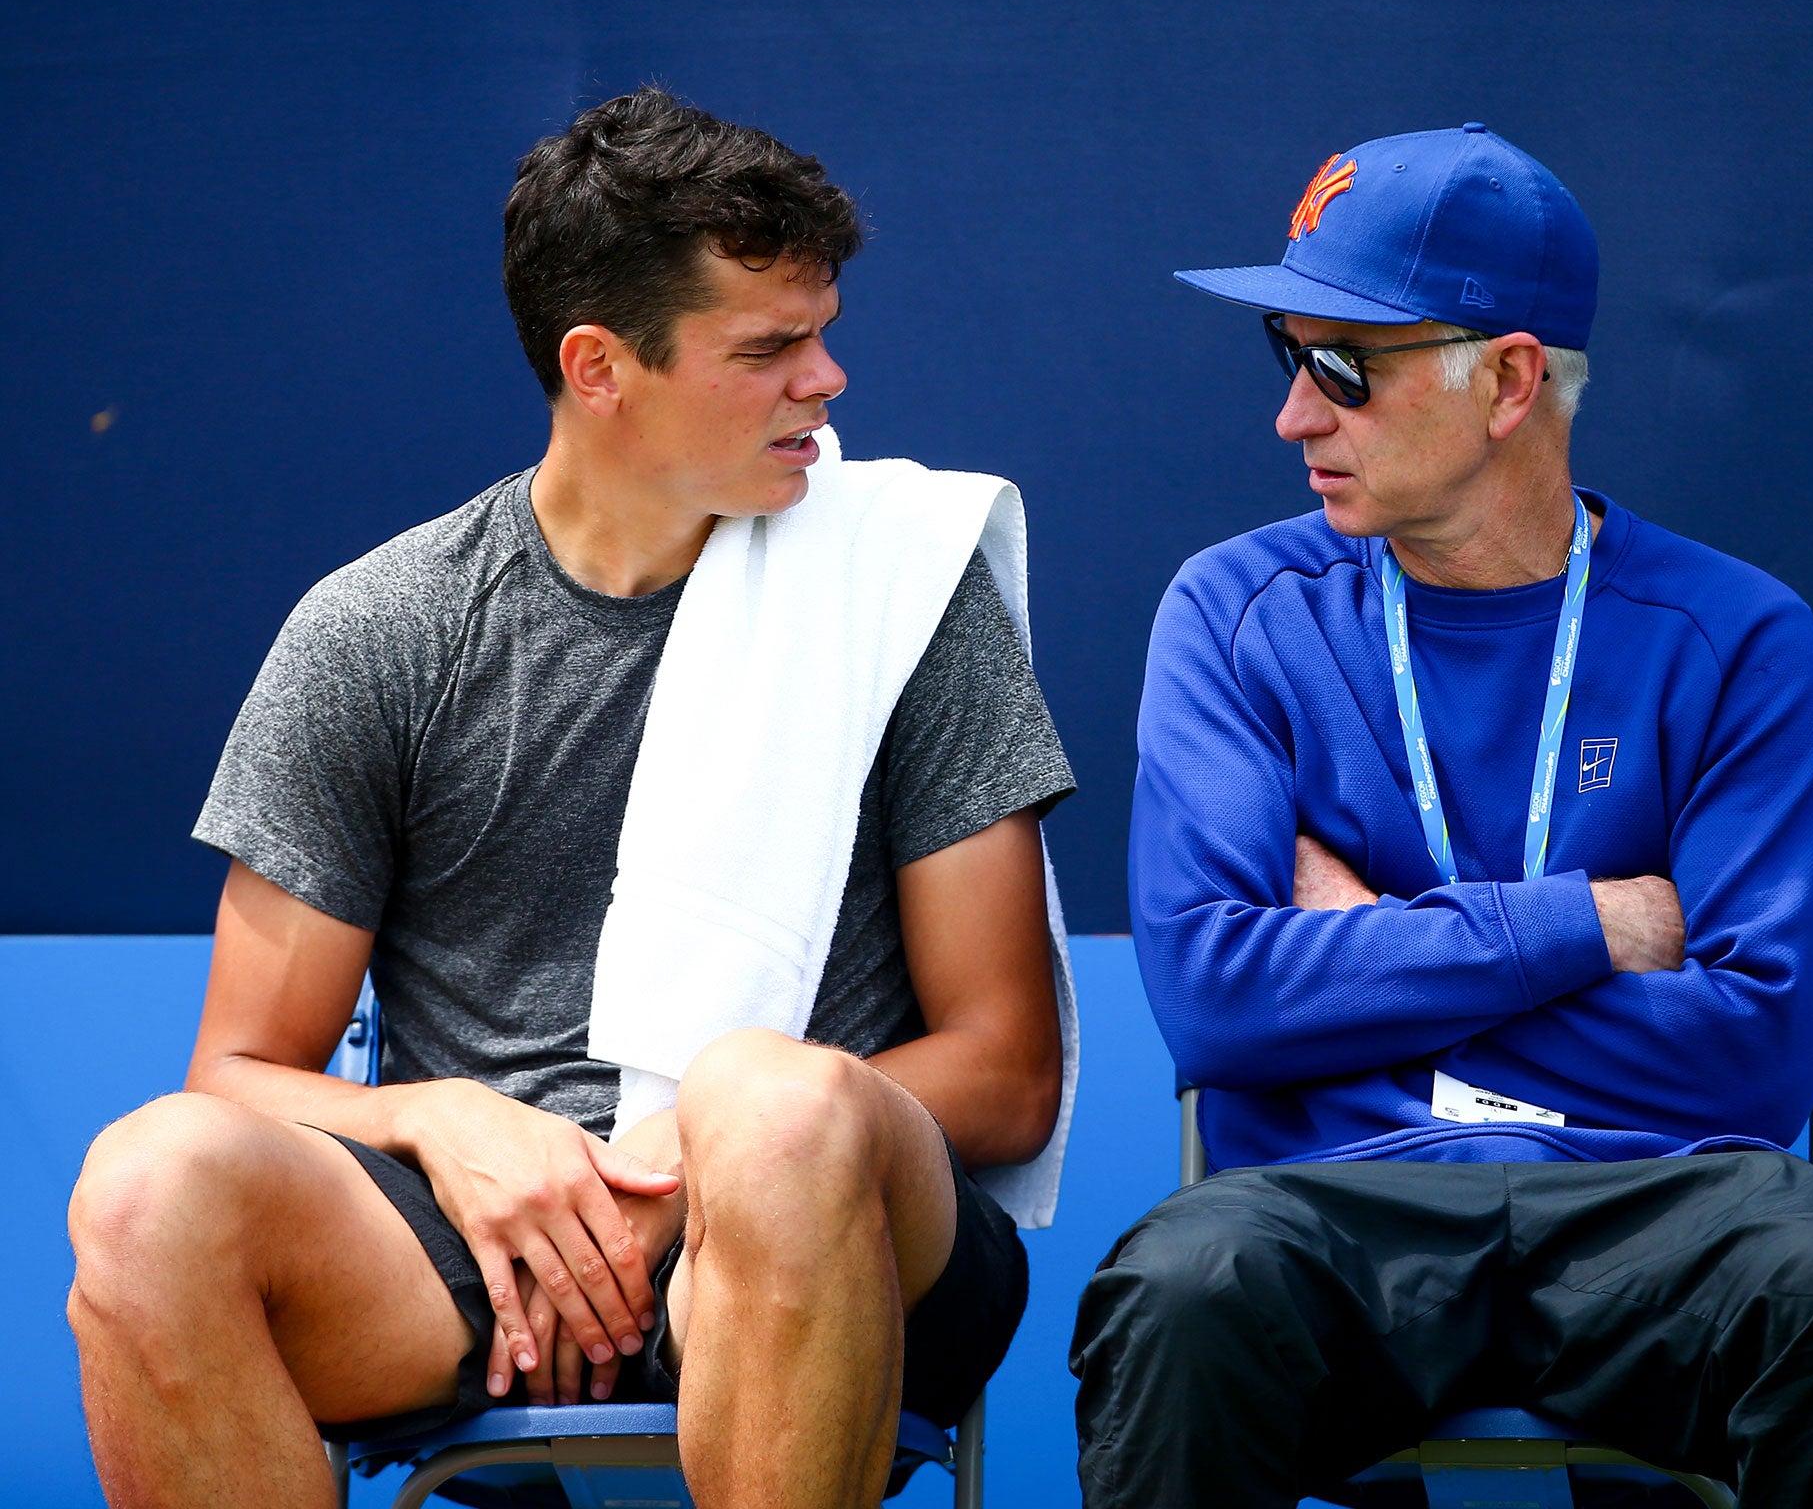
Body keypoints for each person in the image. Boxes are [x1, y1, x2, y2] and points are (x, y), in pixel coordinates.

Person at [67, 87, 1074, 1509]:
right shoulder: (380, 627)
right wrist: (451, 1124)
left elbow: (1007, 1070)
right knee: (146, 1184)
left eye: (825, 333)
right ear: (600, 367)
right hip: (480, 1252)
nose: (828, 380)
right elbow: (235, 1072)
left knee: (768, 1108)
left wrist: (693, 1143)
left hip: (837, 1229)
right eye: (770, 348)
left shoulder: (905, 586)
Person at [1071, 124, 1813, 1508]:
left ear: (1507, 381)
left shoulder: (1733, 635)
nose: (1294, 417)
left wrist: (1369, 953)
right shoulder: (1233, 612)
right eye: (1286, 358)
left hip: (1657, 1209)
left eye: (1340, 367)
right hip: (1334, 1203)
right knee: (1183, 1292)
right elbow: (1215, 1001)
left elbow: (1759, 1056)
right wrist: (1597, 922)